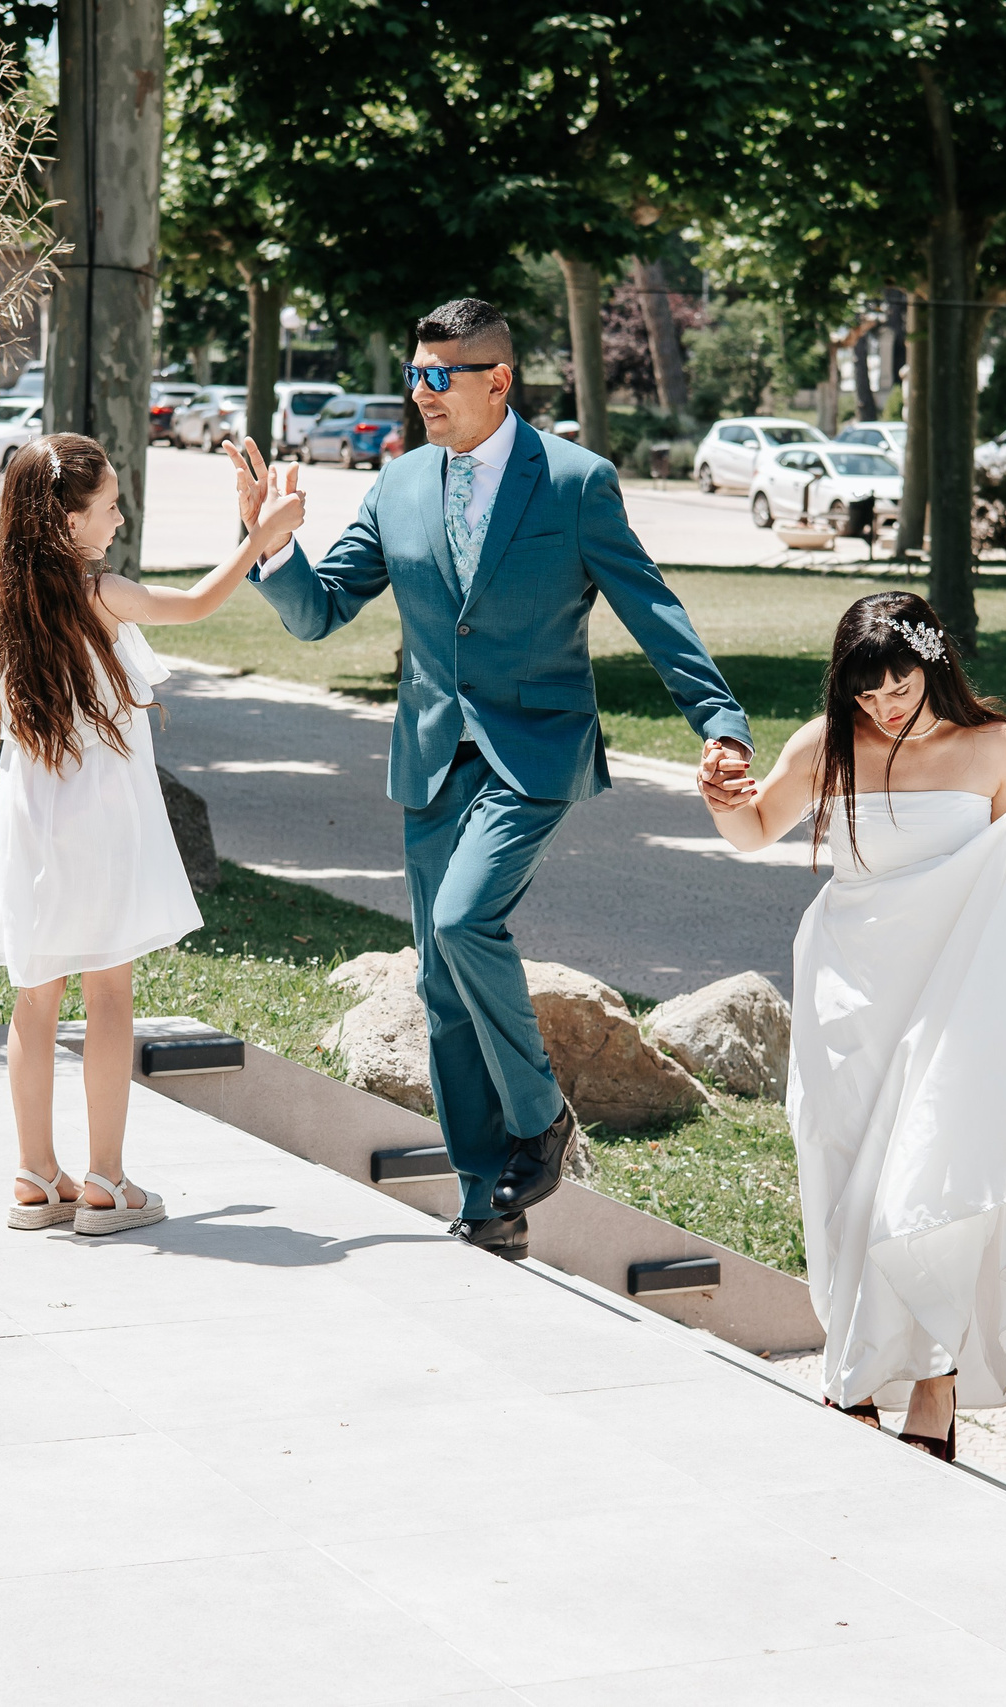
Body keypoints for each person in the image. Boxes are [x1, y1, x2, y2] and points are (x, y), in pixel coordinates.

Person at [240, 297, 754, 1261]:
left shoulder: (573, 482)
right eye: (415, 375)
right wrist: (274, 545)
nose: (422, 393)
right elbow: (319, 613)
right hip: (431, 756)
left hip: (535, 752)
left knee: (462, 920)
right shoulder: (396, 486)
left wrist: (720, 722)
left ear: (498, 381)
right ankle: (489, 1201)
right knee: (442, 984)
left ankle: (540, 1116)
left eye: (440, 376)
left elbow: (653, 608)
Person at [701, 591, 1006, 1459]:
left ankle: (935, 1380)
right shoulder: (826, 745)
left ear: (932, 660)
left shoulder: (993, 747)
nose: (884, 705)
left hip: (953, 995)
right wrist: (720, 796)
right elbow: (755, 829)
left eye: (898, 683)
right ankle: (857, 1369)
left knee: (935, 1180)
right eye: (865, 693)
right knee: (841, 1181)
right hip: (849, 992)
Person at [0, 432, 306, 1236]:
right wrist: (262, 538)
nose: (121, 517)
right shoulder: (97, 590)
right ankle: (106, 1181)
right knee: (109, 990)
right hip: (98, 810)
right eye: (109, 506)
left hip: (28, 809)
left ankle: (32, 1174)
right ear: (66, 522)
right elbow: (192, 605)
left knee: (34, 995)